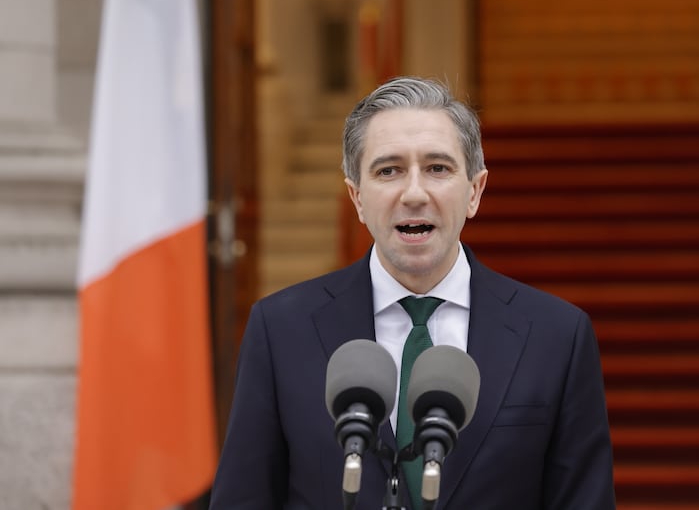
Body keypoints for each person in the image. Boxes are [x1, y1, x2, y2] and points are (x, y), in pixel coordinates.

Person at [209, 76, 616, 509]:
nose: (415, 193)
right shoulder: (280, 331)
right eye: (389, 170)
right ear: (357, 198)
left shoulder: (556, 336)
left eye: (438, 168)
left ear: (475, 191)